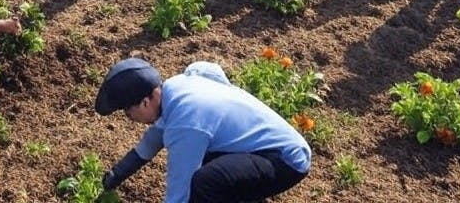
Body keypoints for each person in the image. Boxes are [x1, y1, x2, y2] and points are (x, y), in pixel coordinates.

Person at [96, 57, 311, 203]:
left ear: (144, 102)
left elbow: (179, 192)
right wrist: (118, 174)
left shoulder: (187, 123)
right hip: (267, 149)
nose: (129, 118)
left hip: (285, 161)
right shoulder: (176, 88)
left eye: (127, 111)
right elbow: (154, 138)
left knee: (205, 183)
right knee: (208, 165)